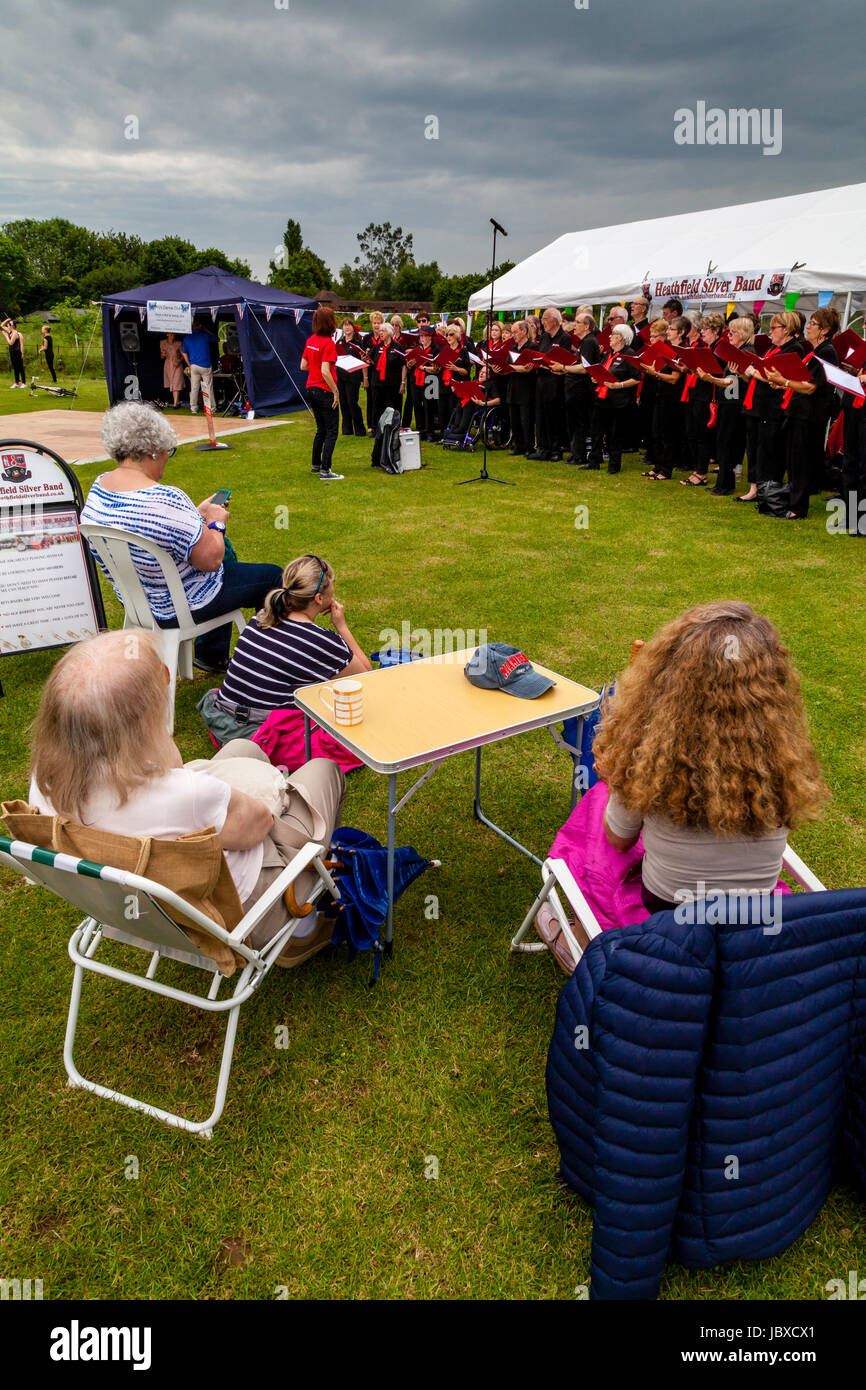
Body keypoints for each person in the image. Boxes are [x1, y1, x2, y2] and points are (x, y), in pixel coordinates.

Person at [27, 630, 347, 967]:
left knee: (245, 749)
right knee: (323, 771)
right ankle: (302, 928)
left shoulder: (43, 785)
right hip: (244, 911)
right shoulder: (182, 794)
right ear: (141, 721)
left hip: (150, 907)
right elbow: (259, 822)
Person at [593, 601, 827, 917]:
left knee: (591, 826)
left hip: (667, 909)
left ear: (668, 679)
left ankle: (576, 931)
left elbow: (619, 840)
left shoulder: (645, 758)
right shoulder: (783, 757)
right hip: (755, 912)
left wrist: (614, 780)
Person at [80, 402, 283, 673]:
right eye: (168, 451)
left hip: (137, 600)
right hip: (177, 605)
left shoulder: (99, 487)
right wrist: (216, 523)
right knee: (272, 577)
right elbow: (211, 559)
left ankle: (212, 655)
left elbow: (155, 529)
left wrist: (196, 514)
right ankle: (269, 665)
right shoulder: (165, 498)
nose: (167, 457)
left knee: (228, 575)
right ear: (152, 450)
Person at [206, 553, 370, 772]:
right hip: (259, 736)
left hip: (221, 722)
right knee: (351, 726)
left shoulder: (262, 617)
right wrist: (341, 626)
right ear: (319, 599)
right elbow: (366, 676)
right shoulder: (321, 641)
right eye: (331, 585)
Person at [763, 306, 840, 519]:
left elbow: (811, 387)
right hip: (799, 411)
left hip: (810, 415)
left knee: (801, 462)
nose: (808, 327)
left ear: (824, 330)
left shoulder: (827, 352)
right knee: (794, 460)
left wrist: (785, 381)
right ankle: (794, 500)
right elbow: (802, 382)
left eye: (813, 324)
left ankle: (798, 507)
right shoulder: (815, 351)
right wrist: (785, 385)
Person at [678, 311, 724, 488]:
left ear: (716, 330)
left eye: (706, 329)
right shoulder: (708, 348)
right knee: (693, 433)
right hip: (697, 393)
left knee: (702, 436)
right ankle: (697, 469)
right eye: (702, 328)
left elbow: (718, 372)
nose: (702, 332)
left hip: (708, 397)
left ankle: (701, 472)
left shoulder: (719, 348)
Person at [587, 323, 640, 473]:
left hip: (619, 401)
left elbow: (637, 378)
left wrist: (620, 385)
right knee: (596, 430)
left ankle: (614, 464)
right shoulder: (608, 354)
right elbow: (603, 371)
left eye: (613, 335)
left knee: (614, 433)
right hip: (601, 397)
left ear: (621, 337)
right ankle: (594, 460)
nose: (609, 337)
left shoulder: (629, 354)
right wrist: (596, 378)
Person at [550, 312, 601, 467]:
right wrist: (565, 368)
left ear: (586, 326)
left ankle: (579, 455)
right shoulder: (583, 342)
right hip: (574, 388)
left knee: (578, 423)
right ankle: (575, 453)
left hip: (581, 389)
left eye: (578, 322)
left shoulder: (589, 342)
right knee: (573, 423)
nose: (575, 325)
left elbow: (585, 368)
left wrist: (564, 367)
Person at [301, 306, 343, 482]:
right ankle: (325, 470)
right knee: (331, 431)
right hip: (324, 390)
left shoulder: (310, 340)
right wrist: (335, 391)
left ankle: (316, 465)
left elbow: (303, 366)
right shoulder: (328, 343)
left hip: (310, 388)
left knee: (321, 429)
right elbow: (326, 370)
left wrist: (316, 368)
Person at [527, 307, 572, 461]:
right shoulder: (545, 337)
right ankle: (543, 447)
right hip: (542, 379)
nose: (542, 322)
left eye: (545, 319)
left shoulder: (564, 337)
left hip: (555, 380)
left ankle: (556, 449)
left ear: (554, 320)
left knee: (554, 415)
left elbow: (564, 359)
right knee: (540, 414)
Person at [504, 318, 536, 456]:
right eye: (512, 333)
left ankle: (529, 447)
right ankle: (518, 445)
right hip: (513, 387)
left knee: (526, 420)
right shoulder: (512, 348)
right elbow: (508, 366)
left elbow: (527, 368)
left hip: (526, 388)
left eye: (515, 332)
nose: (513, 335)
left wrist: (512, 367)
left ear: (524, 331)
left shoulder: (532, 347)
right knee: (514, 420)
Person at [368, 322, 407, 427]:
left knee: (393, 407)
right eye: (380, 330)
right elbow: (369, 360)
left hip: (393, 384)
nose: (380, 333)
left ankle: (393, 427)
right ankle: (377, 428)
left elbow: (404, 365)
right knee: (377, 406)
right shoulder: (376, 347)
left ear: (389, 333)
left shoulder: (397, 347)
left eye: (383, 331)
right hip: (377, 383)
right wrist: (365, 358)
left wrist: (403, 382)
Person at [336, 318, 368, 438]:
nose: (347, 327)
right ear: (342, 328)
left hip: (353, 376)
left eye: (349, 325)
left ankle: (360, 430)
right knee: (343, 403)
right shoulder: (339, 342)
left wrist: (365, 378)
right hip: (341, 376)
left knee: (352, 402)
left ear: (353, 328)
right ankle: (347, 429)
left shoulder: (358, 343)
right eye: (345, 325)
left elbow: (363, 361)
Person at [181, 317, 218, 415]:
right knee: (208, 387)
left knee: (194, 388)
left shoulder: (187, 338)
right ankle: (212, 408)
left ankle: (193, 408)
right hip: (205, 365)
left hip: (194, 366)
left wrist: (189, 364)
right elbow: (216, 338)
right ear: (199, 326)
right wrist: (205, 329)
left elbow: (183, 353)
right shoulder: (204, 335)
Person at [159, 332, 185, 408]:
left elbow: (184, 355)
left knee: (176, 383)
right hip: (168, 365)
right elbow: (162, 356)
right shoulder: (163, 342)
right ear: (167, 334)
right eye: (170, 334)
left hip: (177, 365)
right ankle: (177, 401)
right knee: (172, 383)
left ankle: (175, 404)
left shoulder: (179, 343)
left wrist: (179, 360)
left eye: (173, 334)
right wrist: (163, 355)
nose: (172, 336)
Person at [2, 318, 25, 387]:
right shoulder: (10, 332)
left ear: (11, 326)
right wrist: (7, 320)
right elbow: (1, 326)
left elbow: (11, 343)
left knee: (20, 368)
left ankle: (24, 383)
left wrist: (22, 353)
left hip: (17, 352)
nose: (7, 327)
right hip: (12, 352)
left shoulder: (15, 333)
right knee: (15, 367)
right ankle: (17, 383)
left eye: (8, 325)